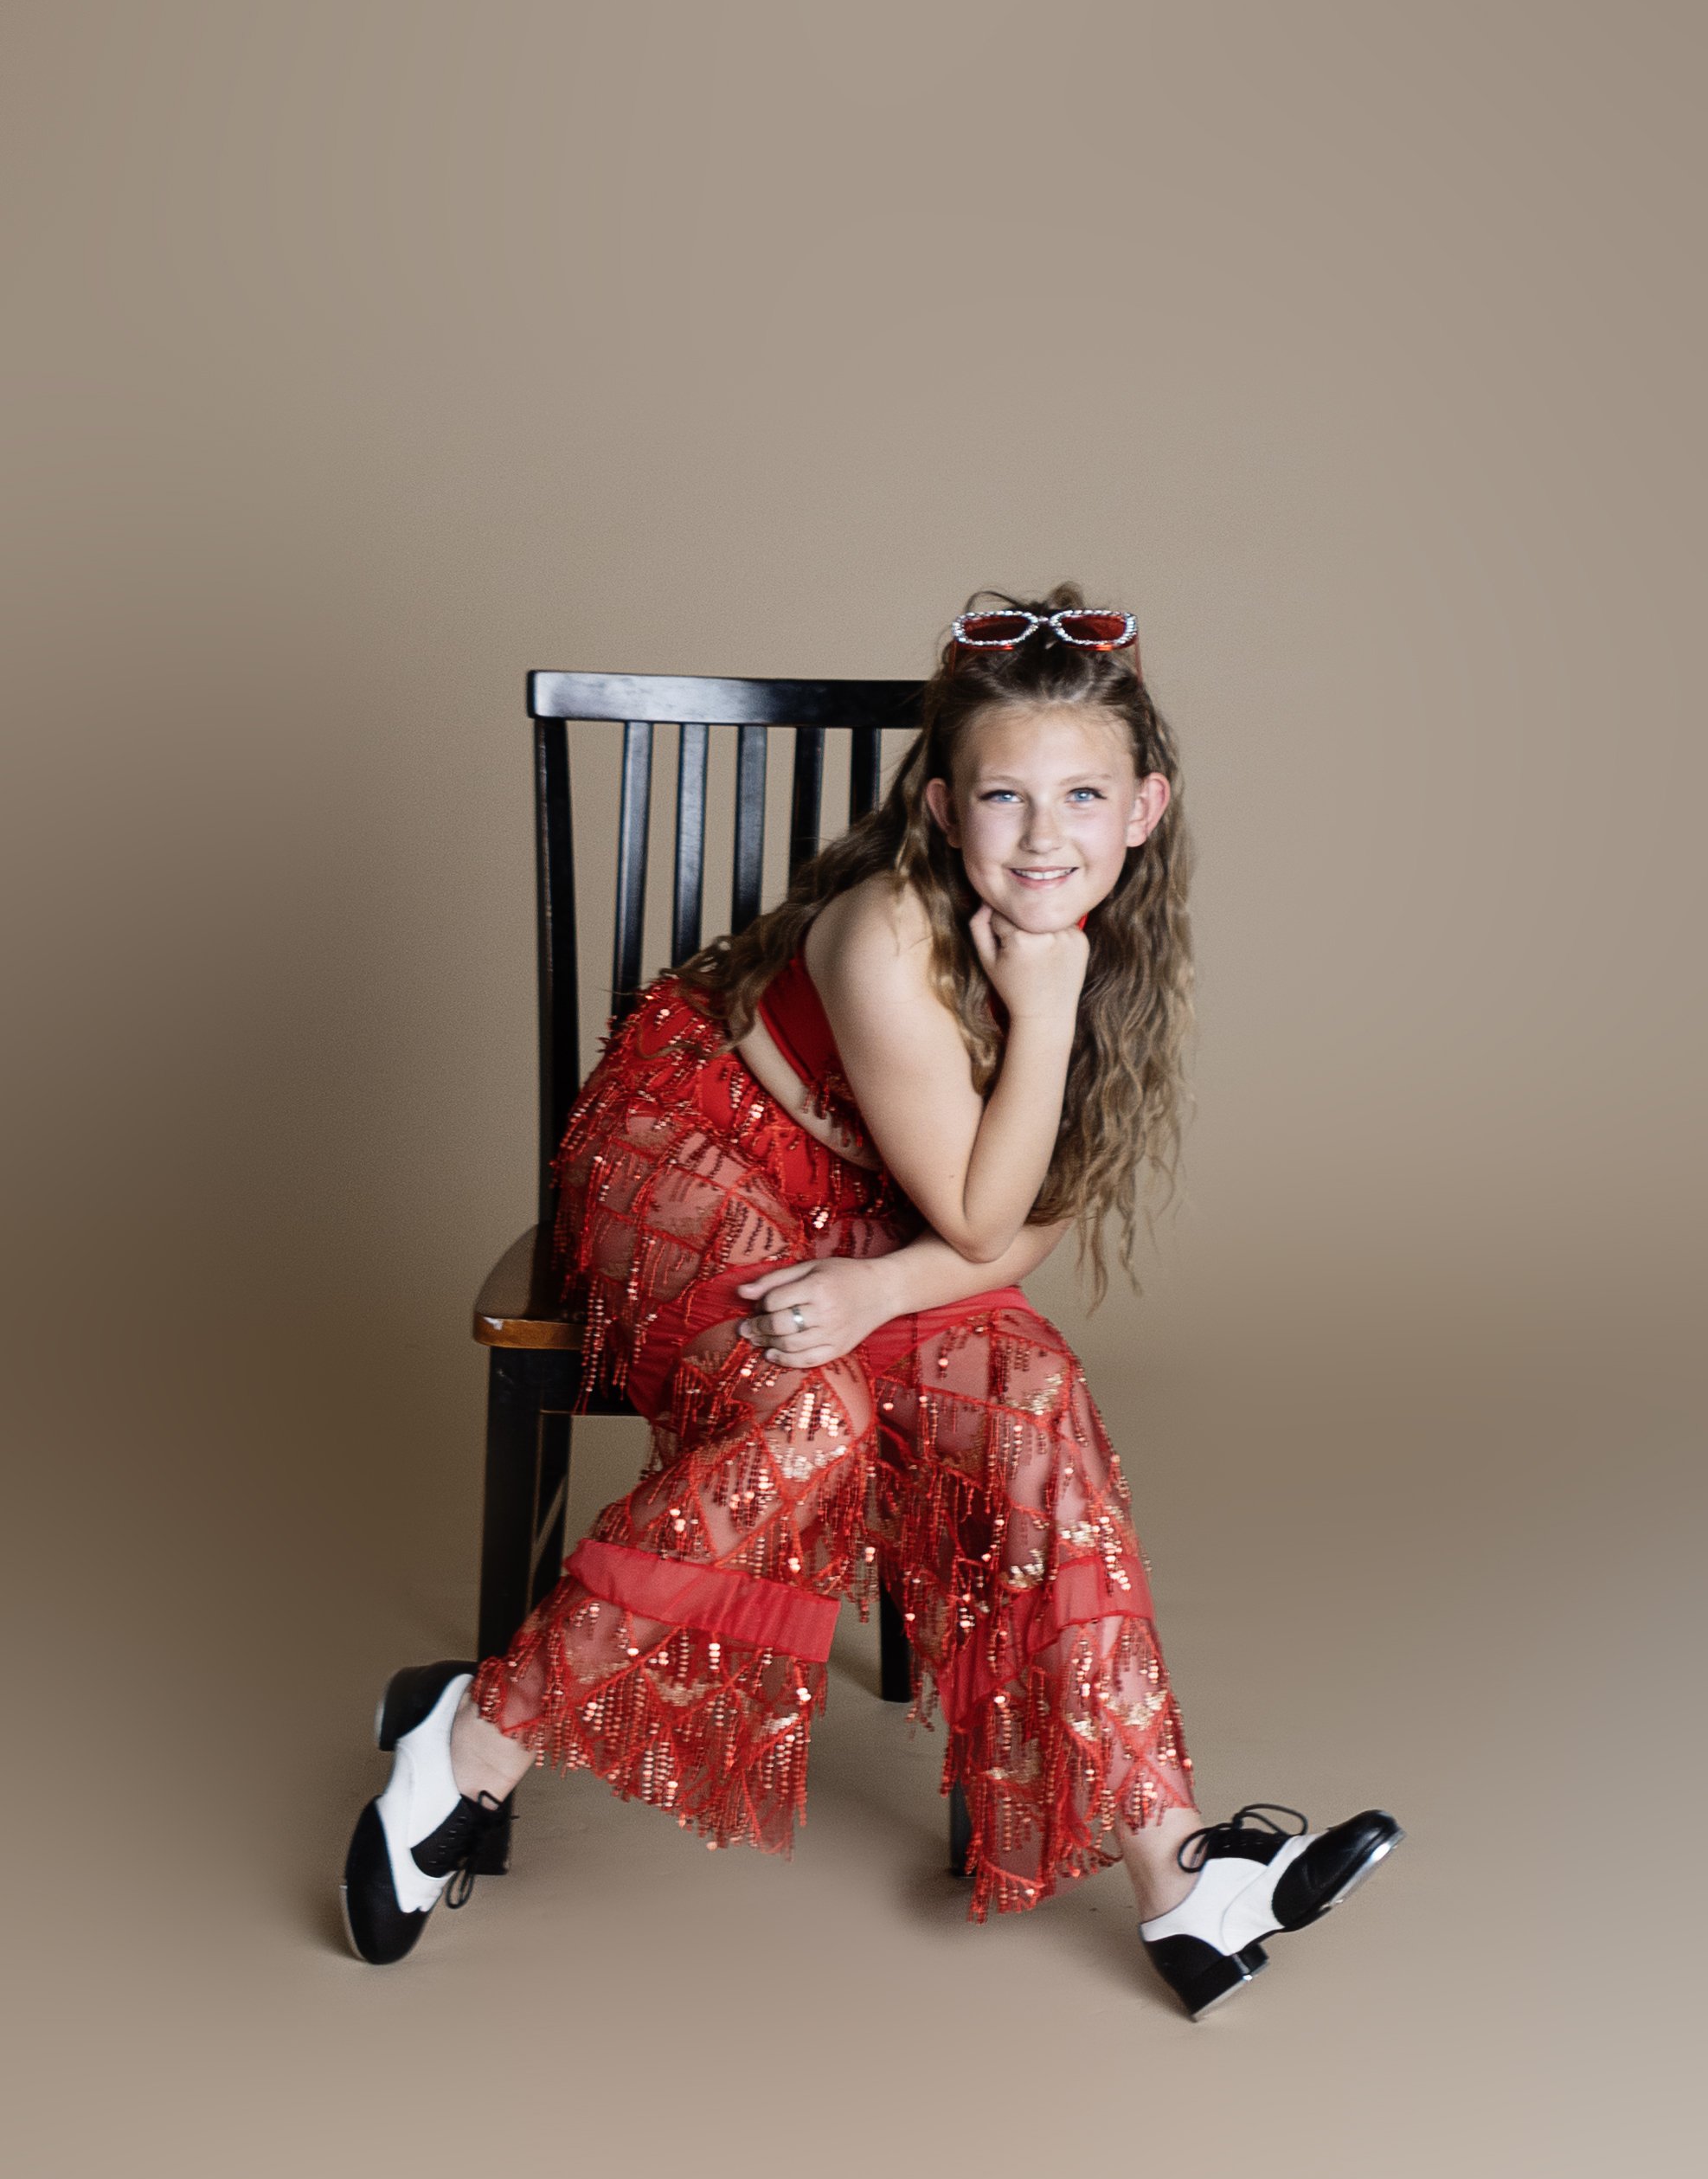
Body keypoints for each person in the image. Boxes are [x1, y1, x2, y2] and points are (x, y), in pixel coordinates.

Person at [340, 587, 1403, 2017]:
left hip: (875, 1219)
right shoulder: (887, 935)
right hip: (688, 1162)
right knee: (807, 1426)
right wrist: (1038, 1017)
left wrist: (884, 1282)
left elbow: (1024, 1217)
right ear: (943, 807)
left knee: (1032, 1397)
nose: (1045, 836)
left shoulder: (1088, 948)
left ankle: (1186, 1879)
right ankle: (467, 1744)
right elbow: (983, 1209)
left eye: (1083, 795)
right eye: (1004, 796)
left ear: (1145, 808)